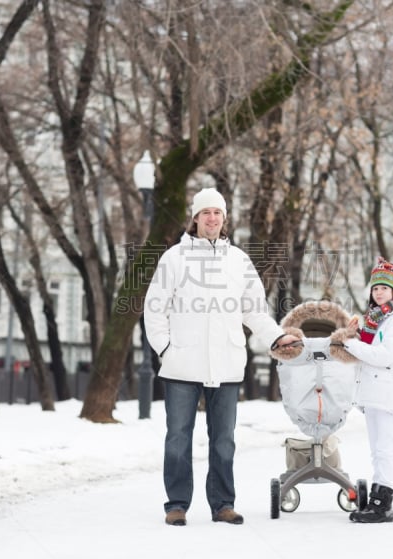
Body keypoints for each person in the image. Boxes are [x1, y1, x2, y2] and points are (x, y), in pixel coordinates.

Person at [144, 188, 299, 527]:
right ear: (195, 218)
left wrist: (277, 336)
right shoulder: (174, 258)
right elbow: (154, 308)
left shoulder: (239, 261)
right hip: (182, 364)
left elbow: (254, 311)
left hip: (226, 364)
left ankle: (222, 505)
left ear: (224, 219)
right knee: (177, 439)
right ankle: (177, 505)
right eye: (206, 212)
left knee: (224, 440)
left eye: (217, 213)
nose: (212, 218)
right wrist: (166, 349)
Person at [330, 257, 393, 524]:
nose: (378, 292)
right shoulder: (377, 321)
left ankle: (383, 504)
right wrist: (353, 336)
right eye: (375, 288)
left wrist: (350, 344)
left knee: (385, 448)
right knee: (377, 449)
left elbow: (384, 355)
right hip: (374, 395)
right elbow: (367, 352)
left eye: (384, 289)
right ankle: (378, 497)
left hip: (387, 395)